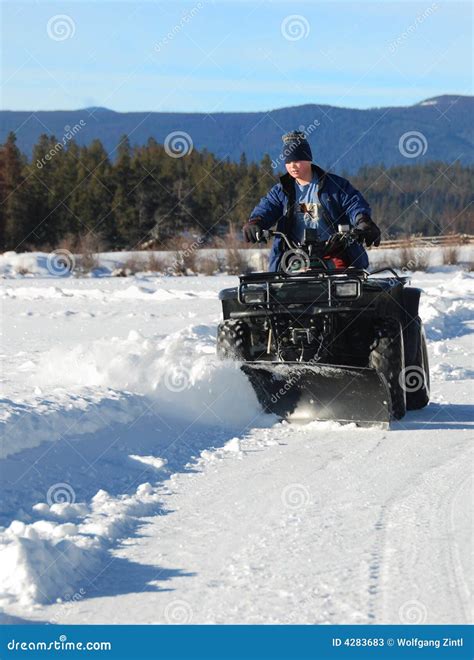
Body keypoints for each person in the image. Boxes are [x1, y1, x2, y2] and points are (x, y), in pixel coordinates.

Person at [243, 131, 381, 271]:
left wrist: (363, 221)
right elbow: (268, 207)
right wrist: (256, 222)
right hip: (294, 254)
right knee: (285, 289)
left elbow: (353, 203)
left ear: (308, 159)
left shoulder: (334, 186)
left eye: (297, 160)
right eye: (288, 161)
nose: (292, 166)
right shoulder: (281, 190)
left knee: (344, 285)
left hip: (333, 252)